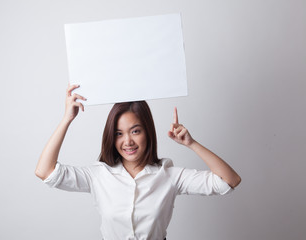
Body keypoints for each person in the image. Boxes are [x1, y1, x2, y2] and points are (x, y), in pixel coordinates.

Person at [35, 84, 241, 240]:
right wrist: (66, 119)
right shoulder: (99, 175)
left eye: (135, 131)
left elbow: (229, 180)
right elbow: (46, 172)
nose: (128, 141)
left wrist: (191, 143)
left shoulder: (169, 176)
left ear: (147, 132)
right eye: (118, 133)